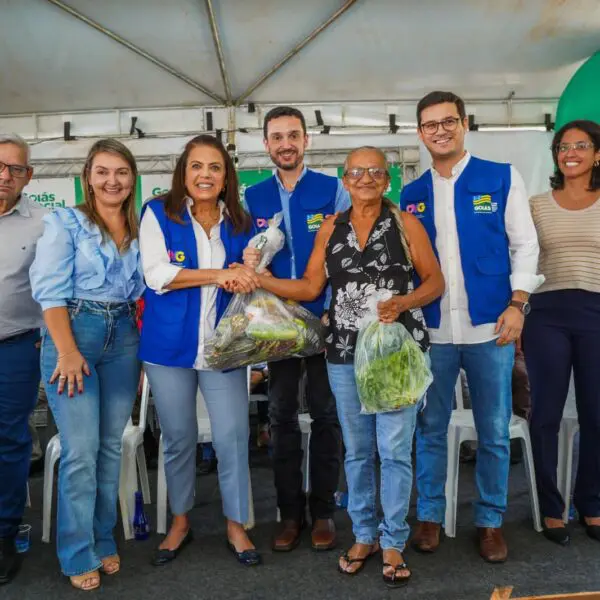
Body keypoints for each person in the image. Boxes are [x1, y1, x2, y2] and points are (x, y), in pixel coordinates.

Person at [253, 146, 444, 587]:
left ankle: (393, 538)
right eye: (357, 172)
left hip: (395, 352)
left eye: (375, 172)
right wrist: (260, 279)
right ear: (344, 178)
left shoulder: (404, 222)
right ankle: (363, 534)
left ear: (387, 179)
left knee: (394, 451)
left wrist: (404, 301)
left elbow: (435, 281)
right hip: (342, 353)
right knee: (357, 452)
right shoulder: (330, 229)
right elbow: (309, 286)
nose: (366, 179)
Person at [401, 91, 543, 563]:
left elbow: (525, 245)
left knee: (494, 431)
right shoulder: (411, 193)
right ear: (420, 133)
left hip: (492, 329)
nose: (439, 131)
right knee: (430, 428)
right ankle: (430, 516)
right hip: (434, 332)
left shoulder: (500, 177)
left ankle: (490, 520)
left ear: (464, 124)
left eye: (448, 122)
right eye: (429, 125)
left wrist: (518, 303)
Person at [138, 134, 262, 567]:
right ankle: (180, 521)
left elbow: (252, 275)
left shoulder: (241, 222)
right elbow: (157, 274)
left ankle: (236, 523)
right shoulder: (157, 212)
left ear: (226, 175)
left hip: (224, 347)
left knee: (232, 435)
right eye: (196, 166)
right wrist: (220, 274)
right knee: (178, 438)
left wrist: (247, 270)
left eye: (214, 167)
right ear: (183, 172)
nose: (205, 175)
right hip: (168, 347)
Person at [30, 139, 144, 591]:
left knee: (110, 447)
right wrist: (68, 351)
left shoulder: (139, 227)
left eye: (120, 171)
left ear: (132, 178)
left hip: (124, 337)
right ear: (87, 178)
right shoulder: (66, 222)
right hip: (74, 333)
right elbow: (49, 293)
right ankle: (76, 551)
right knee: (80, 451)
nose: (112, 180)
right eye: (102, 171)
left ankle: (101, 536)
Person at [243, 106, 350, 552]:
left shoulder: (334, 190)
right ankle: (289, 515)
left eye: (293, 135)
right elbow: (242, 257)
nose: (285, 143)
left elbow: (348, 256)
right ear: (266, 144)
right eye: (276, 137)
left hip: (324, 320)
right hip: (276, 326)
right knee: (281, 417)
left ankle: (323, 512)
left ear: (306, 140)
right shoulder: (251, 196)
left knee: (327, 416)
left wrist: (335, 313)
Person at [523, 119, 600, 546]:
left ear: (597, 154)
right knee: (547, 414)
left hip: (597, 311)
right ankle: (552, 506)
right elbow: (520, 258)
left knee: (596, 415)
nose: (570, 152)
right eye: (563, 146)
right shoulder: (536, 205)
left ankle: (591, 502)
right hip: (547, 313)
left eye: (581, 145)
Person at [0, 134, 46, 586]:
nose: (5, 175)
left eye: (15, 169)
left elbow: (55, 287)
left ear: (28, 176)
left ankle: (5, 533)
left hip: (15, 347)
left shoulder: (44, 222)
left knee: (9, 440)